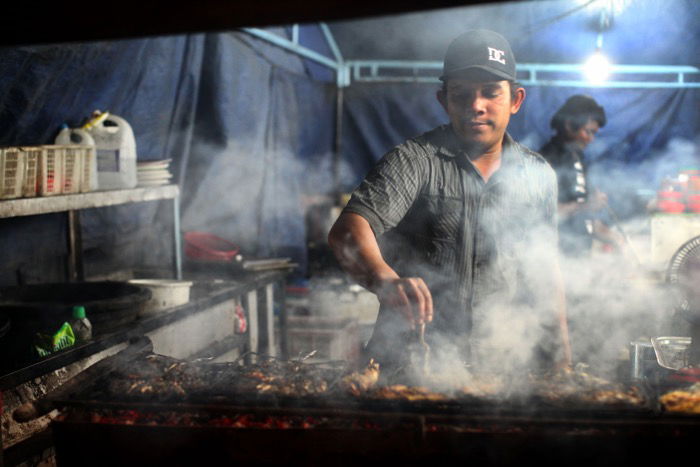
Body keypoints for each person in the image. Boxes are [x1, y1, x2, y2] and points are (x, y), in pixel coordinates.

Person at [328, 29, 571, 376]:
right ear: (444, 101)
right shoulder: (414, 160)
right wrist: (386, 281)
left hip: (503, 365)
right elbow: (348, 231)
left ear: (516, 100)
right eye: (462, 95)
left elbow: (546, 271)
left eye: (490, 93)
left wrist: (561, 358)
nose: (476, 106)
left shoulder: (538, 175)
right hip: (412, 366)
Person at [539, 95, 623, 257]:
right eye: (588, 132)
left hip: (579, 257)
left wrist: (612, 237)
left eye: (594, 133)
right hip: (554, 258)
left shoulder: (579, 159)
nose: (591, 139)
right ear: (569, 125)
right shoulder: (545, 160)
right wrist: (587, 205)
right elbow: (542, 213)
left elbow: (583, 217)